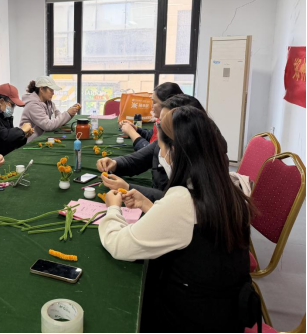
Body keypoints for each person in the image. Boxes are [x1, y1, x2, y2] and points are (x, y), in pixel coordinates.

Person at [99, 106, 259, 332]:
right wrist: (148, 205)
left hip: (187, 318)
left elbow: (119, 245)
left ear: (174, 151)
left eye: (162, 149)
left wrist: (113, 209)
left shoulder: (183, 200)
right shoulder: (228, 187)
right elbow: (190, 232)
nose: (161, 156)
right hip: (224, 313)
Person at [98, 94, 228, 202]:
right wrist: (115, 164)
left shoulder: (202, 166)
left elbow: (179, 202)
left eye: (163, 124)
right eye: (160, 123)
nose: (159, 128)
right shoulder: (168, 142)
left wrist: (128, 188)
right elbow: (138, 160)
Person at [120, 82, 183, 151]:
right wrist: (136, 129)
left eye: (154, 102)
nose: (151, 106)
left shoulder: (172, 128)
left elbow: (154, 153)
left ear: (168, 104)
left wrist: (132, 133)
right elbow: (152, 136)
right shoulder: (160, 121)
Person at [20, 76, 80, 142]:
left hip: (42, 138)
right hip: (30, 142)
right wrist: (68, 113)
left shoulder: (49, 103)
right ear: (41, 89)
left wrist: (71, 112)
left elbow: (59, 118)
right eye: (51, 90)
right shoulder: (32, 105)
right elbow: (48, 125)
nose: (53, 93)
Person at [0, 83, 34, 156]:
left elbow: (9, 140)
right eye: (12, 105)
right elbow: (0, 137)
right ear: (1, 101)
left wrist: (23, 136)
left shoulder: (4, 115)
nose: (13, 108)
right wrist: (21, 131)